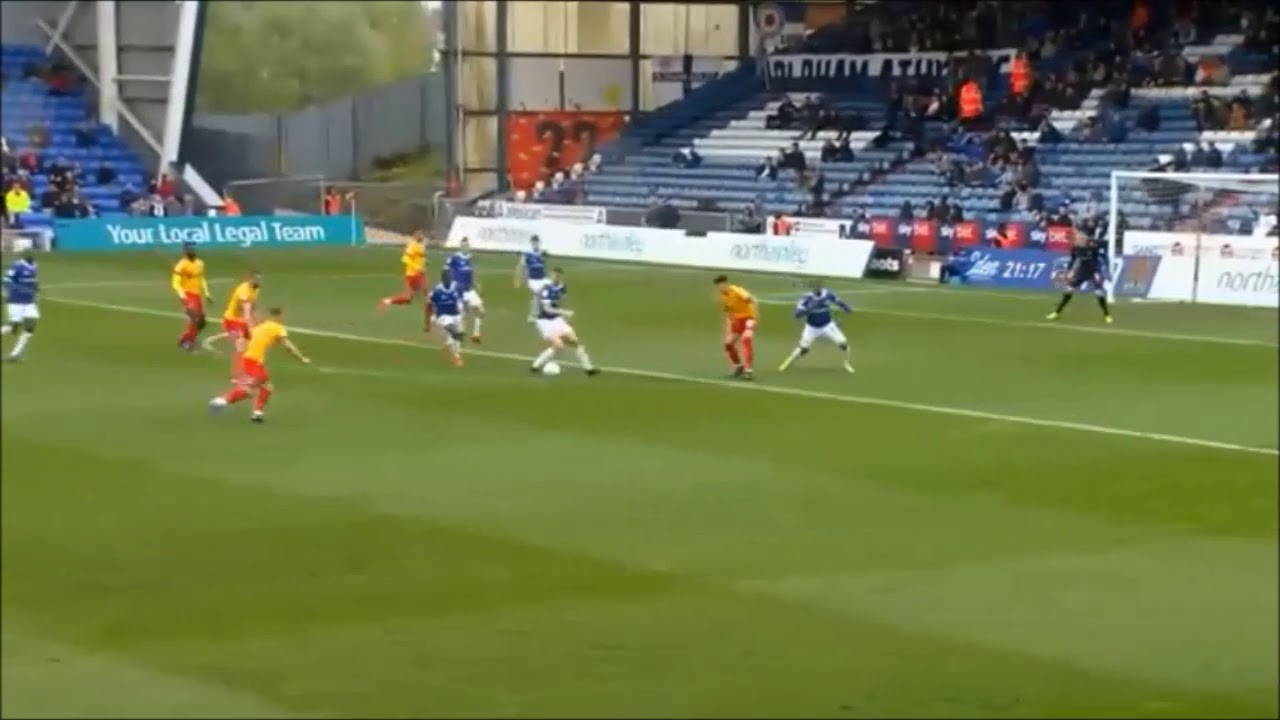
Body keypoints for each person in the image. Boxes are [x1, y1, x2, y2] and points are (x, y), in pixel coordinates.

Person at [208, 307, 310, 423]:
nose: (284, 319)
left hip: (249, 359)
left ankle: (257, 413)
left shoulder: (261, 327)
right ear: (277, 316)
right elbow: (288, 346)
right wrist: (301, 358)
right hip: (254, 361)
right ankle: (220, 401)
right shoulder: (277, 328)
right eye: (282, 316)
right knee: (250, 390)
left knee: (265, 387)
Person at [530, 267, 598, 376]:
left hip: (557, 319)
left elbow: (562, 301)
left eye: (558, 276)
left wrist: (568, 319)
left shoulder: (562, 287)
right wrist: (564, 312)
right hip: (545, 321)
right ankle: (535, 366)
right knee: (559, 345)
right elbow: (547, 309)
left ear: (561, 277)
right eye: (553, 275)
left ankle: (589, 369)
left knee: (575, 341)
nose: (555, 277)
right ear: (550, 276)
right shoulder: (546, 289)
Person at [778, 281, 854, 373]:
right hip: (811, 328)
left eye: (819, 290)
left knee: (844, 344)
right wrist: (809, 308)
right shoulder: (806, 299)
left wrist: (846, 307)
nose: (817, 291)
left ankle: (847, 363)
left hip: (828, 325)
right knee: (803, 348)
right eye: (815, 290)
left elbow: (838, 301)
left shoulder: (828, 294)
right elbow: (797, 315)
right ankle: (790, 360)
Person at [1046, 233, 1113, 324]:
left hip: (1093, 272)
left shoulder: (1092, 248)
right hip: (1081, 272)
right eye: (1077, 239)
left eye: (1080, 239)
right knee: (1068, 291)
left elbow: (1099, 259)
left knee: (1099, 294)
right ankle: (1056, 313)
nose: (1078, 241)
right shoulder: (1075, 248)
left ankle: (1107, 315)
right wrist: (1070, 271)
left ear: (1085, 240)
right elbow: (1073, 260)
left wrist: (1099, 272)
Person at [379, 230, 428, 327]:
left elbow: (419, 258)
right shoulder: (413, 245)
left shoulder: (420, 246)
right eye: (421, 235)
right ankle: (387, 301)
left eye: (423, 235)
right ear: (416, 236)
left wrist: (424, 263)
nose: (422, 237)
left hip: (419, 274)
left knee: (423, 293)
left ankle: (431, 314)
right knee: (410, 297)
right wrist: (416, 267)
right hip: (412, 275)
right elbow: (405, 259)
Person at [713, 275, 758, 380]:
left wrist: (754, 316)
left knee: (746, 340)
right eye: (718, 286)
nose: (720, 287)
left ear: (725, 283)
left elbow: (752, 299)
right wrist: (729, 324)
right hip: (737, 321)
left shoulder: (737, 290)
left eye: (721, 285)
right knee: (728, 344)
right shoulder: (723, 295)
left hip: (748, 319)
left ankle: (748, 370)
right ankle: (738, 367)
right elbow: (728, 310)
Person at [221, 270, 261, 382]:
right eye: (255, 279)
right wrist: (252, 329)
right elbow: (246, 312)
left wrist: (256, 321)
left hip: (242, 320)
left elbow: (253, 308)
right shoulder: (243, 291)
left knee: (250, 347)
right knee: (240, 345)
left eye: (259, 279)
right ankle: (236, 376)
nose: (258, 281)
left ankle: (248, 372)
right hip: (232, 320)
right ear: (249, 279)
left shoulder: (256, 289)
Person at [171, 243, 211, 351]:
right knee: (194, 318)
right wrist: (183, 297)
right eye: (188, 249)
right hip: (188, 294)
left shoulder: (200, 263)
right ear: (185, 251)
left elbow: (201, 278)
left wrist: (207, 293)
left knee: (202, 322)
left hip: (197, 295)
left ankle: (187, 339)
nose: (191, 251)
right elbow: (175, 283)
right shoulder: (181, 265)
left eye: (192, 248)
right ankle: (187, 341)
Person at [2, 249, 39, 361]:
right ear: (24, 256)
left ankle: (15, 354)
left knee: (30, 326)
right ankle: (14, 354)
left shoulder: (35, 266)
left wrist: (36, 291)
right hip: (16, 301)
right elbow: (6, 281)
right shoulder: (17, 266)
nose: (31, 256)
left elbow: (34, 281)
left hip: (29, 302)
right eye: (29, 254)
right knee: (13, 328)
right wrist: (19, 288)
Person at [446, 237, 484, 343]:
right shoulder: (455, 258)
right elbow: (446, 270)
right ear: (460, 246)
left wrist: (476, 283)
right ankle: (457, 334)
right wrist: (451, 284)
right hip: (459, 290)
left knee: (481, 311)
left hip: (469, 290)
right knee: (463, 313)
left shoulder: (469, 258)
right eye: (463, 245)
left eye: (467, 245)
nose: (465, 247)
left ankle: (476, 335)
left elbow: (471, 273)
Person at [426, 269, 465, 368]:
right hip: (443, 316)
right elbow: (429, 304)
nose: (449, 280)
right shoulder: (436, 291)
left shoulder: (456, 286)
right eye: (447, 278)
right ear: (442, 279)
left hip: (456, 315)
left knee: (459, 336)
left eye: (450, 278)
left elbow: (463, 293)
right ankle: (456, 357)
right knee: (454, 332)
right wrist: (427, 322)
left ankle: (450, 344)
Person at [513, 234, 551, 320]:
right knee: (537, 294)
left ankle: (545, 311)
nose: (535, 244)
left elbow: (544, 266)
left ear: (539, 243)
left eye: (537, 242)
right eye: (534, 242)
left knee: (549, 292)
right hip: (533, 279)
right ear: (531, 243)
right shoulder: (527, 254)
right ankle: (532, 314)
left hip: (542, 278)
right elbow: (521, 267)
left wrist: (547, 276)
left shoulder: (542, 253)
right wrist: (519, 279)